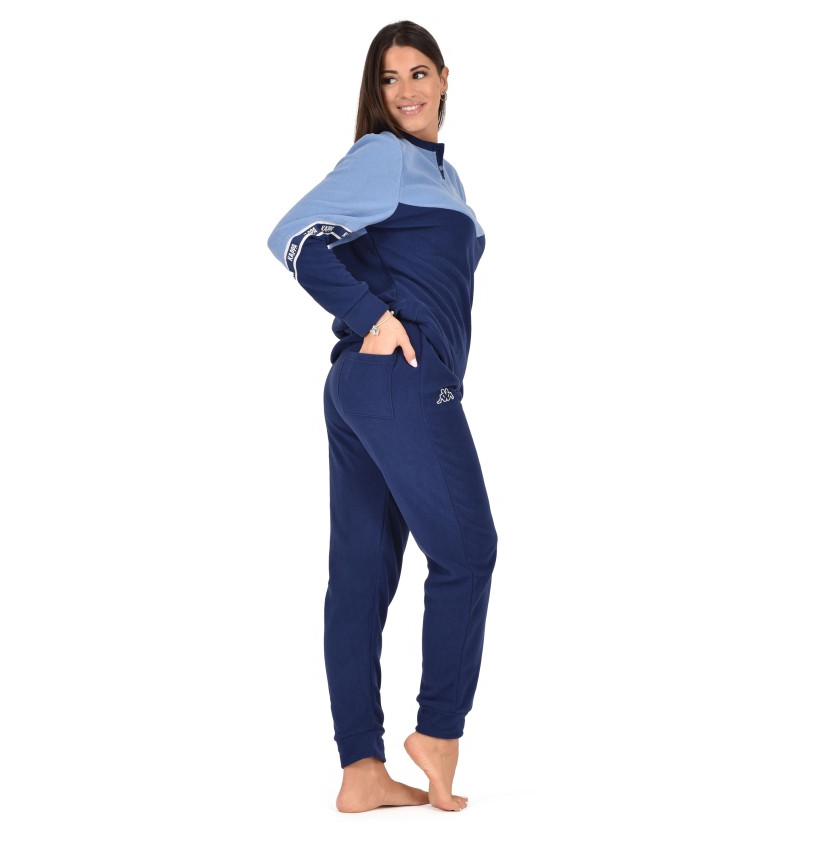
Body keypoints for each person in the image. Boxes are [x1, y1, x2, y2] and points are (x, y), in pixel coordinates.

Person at [266, 20, 498, 813]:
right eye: (389, 78)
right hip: (399, 379)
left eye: (418, 72)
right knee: (467, 551)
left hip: (365, 388)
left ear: (444, 78)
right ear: (375, 91)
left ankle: (361, 769)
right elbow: (294, 237)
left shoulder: (443, 176)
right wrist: (374, 315)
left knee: (362, 576)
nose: (405, 91)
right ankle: (439, 731)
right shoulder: (383, 156)